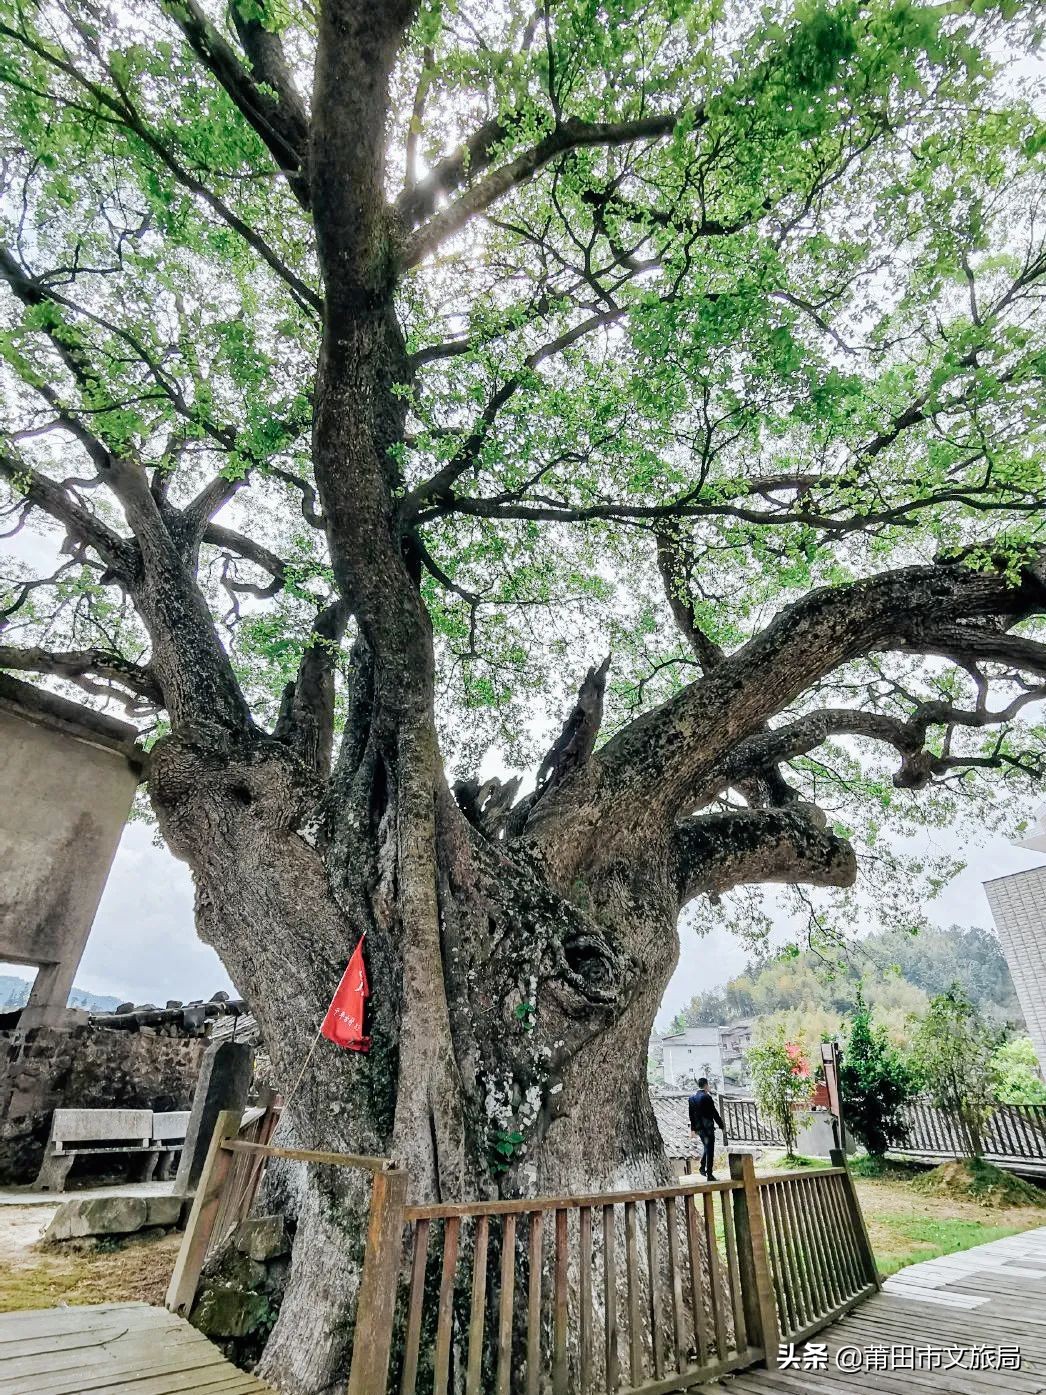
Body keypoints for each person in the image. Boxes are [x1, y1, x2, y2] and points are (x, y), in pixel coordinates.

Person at [688, 1077, 727, 1181]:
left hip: (699, 1128)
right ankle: (709, 1174)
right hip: (708, 1127)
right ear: (706, 1085)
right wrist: (721, 1125)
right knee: (710, 1149)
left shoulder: (691, 1098)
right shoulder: (707, 1097)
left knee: (707, 1147)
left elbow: (691, 1115)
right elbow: (714, 1112)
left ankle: (702, 1166)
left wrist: (693, 1129)